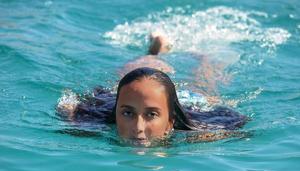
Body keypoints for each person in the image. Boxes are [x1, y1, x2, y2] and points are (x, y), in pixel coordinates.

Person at [57, 32, 248, 147]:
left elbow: (233, 129)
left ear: (169, 123)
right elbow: (70, 107)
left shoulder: (198, 134)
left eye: (151, 115)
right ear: (116, 114)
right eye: (127, 113)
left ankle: (202, 55)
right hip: (126, 96)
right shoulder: (94, 123)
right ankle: (155, 51)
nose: (138, 128)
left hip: (192, 102)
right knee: (139, 73)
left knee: (204, 82)